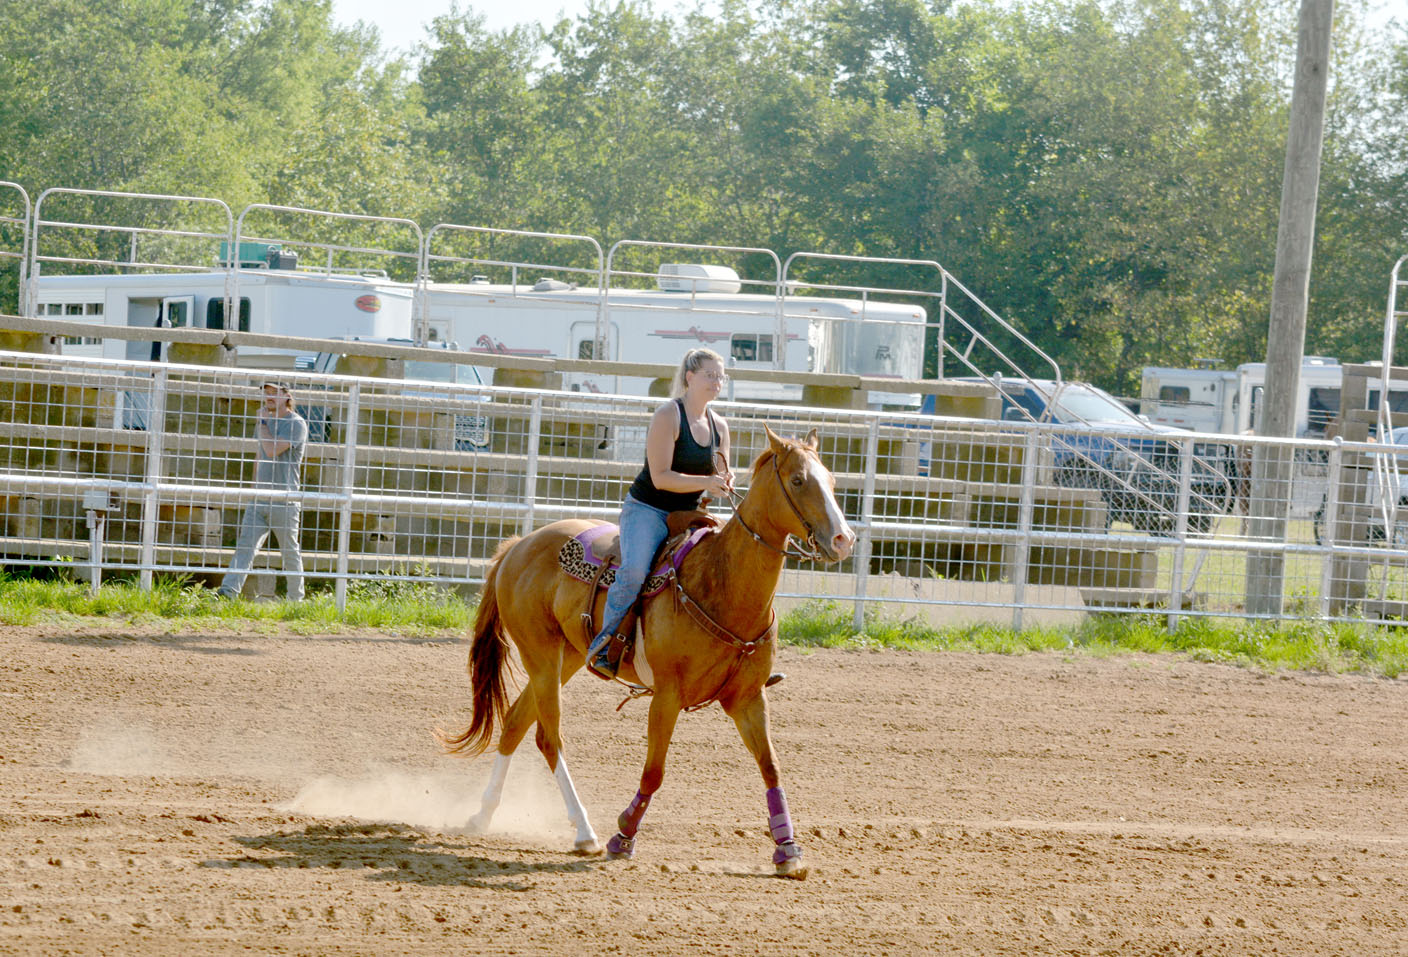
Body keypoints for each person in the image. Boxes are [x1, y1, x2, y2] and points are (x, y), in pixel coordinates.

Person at [587, 348, 733, 680]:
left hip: (689, 512)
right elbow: (660, 477)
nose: (717, 382)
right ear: (690, 377)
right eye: (710, 375)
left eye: (721, 376)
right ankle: (604, 645)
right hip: (648, 509)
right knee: (635, 570)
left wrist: (724, 482)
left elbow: (720, 474)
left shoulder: (720, 426)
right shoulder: (668, 415)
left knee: (726, 564)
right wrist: (707, 482)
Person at [217, 382, 308, 601]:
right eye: (267, 392)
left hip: (284, 500)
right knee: (245, 547)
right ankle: (227, 593)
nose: (269, 397)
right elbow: (260, 455)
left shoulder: (296, 423)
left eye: (274, 392)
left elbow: (272, 449)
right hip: (260, 499)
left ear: (287, 396)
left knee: (289, 552)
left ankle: (296, 600)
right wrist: (254, 488)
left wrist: (263, 423)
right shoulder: (265, 422)